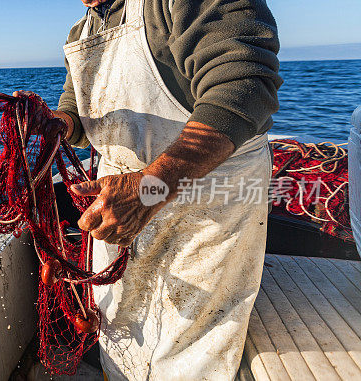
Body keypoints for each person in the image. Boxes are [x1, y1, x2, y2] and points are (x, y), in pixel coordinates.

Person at [19, 0, 282, 379]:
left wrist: (150, 189)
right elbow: (77, 109)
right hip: (123, 193)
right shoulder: (83, 30)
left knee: (193, 340)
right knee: (119, 319)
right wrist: (59, 122)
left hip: (206, 195)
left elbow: (245, 87)